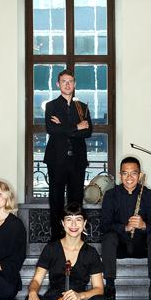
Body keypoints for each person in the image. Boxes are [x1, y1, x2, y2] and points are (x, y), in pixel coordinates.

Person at [101, 156, 151, 300]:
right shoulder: (111, 195)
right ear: (120, 175)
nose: (129, 177)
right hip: (119, 246)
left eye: (133, 173)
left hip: (141, 246)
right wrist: (125, 227)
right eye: (125, 173)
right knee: (108, 237)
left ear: (139, 175)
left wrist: (144, 225)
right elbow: (105, 225)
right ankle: (109, 285)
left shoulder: (147, 194)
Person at [44, 69, 93, 241]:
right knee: (56, 199)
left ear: (75, 84)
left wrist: (64, 127)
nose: (67, 84)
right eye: (63, 81)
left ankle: (76, 237)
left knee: (76, 199)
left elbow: (88, 132)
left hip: (77, 160)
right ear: (58, 84)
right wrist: (75, 127)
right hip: (56, 159)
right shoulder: (50, 106)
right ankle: (56, 237)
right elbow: (51, 130)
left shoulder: (82, 107)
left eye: (70, 81)